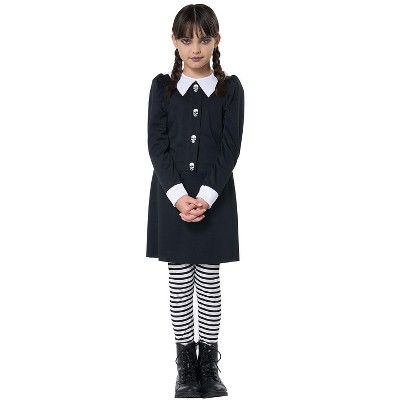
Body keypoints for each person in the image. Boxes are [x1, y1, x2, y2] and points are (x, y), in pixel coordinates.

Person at [146, 4, 244, 398]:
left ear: (217, 40)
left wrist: (205, 197)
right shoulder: (162, 88)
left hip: (214, 199)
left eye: (204, 39)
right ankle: (185, 365)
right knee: (179, 281)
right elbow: (157, 146)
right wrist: (178, 197)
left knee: (209, 281)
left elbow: (230, 148)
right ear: (174, 41)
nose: (196, 48)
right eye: (186, 40)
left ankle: (209, 365)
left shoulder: (230, 89)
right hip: (171, 198)